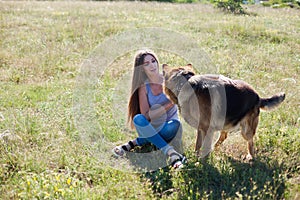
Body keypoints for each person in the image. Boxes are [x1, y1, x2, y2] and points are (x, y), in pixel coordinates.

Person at [112, 49, 186, 169]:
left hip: (169, 126)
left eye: (153, 61)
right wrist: (170, 102)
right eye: (146, 64)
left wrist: (156, 112)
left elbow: (182, 98)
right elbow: (145, 116)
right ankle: (171, 153)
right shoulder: (143, 88)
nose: (152, 65)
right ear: (142, 69)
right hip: (152, 126)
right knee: (138, 119)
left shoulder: (169, 80)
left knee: (173, 125)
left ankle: (136, 142)